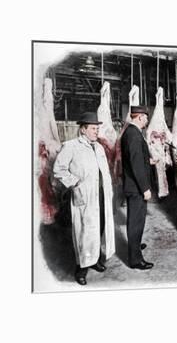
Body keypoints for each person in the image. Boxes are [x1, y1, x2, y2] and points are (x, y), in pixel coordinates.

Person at [53, 112, 116, 285]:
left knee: (99, 228)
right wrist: (74, 183)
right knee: (85, 234)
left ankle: (94, 260)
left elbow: (104, 172)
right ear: (83, 130)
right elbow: (58, 169)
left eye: (97, 128)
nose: (97, 131)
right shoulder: (71, 146)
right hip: (85, 197)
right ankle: (81, 269)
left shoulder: (99, 147)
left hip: (101, 195)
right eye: (93, 128)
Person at [120, 106, 155, 270]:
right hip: (136, 188)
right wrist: (145, 188)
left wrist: (148, 161)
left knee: (137, 221)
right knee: (136, 222)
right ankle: (135, 260)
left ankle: (135, 246)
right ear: (140, 117)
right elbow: (135, 163)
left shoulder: (131, 132)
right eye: (146, 118)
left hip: (134, 186)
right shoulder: (133, 134)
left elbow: (137, 159)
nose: (147, 121)